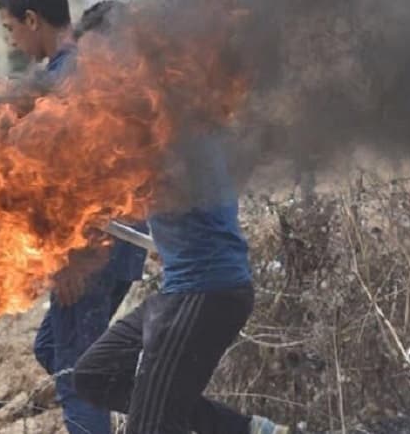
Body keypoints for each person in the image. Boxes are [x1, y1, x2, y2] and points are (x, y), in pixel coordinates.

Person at [0, 0, 148, 434]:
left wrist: (67, 260)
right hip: (122, 242)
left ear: (32, 20)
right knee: (53, 351)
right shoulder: (86, 67)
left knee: (76, 378)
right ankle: (174, 412)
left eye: (10, 28)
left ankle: (175, 414)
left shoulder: (63, 82)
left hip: (90, 250)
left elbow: (72, 180)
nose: (12, 41)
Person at [71, 136, 291, 433]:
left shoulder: (178, 137)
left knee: (150, 428)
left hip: (203, 292)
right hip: (183, 288)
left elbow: (140, 182)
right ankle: (242, 430)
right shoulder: (182, 130)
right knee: (95, 376)